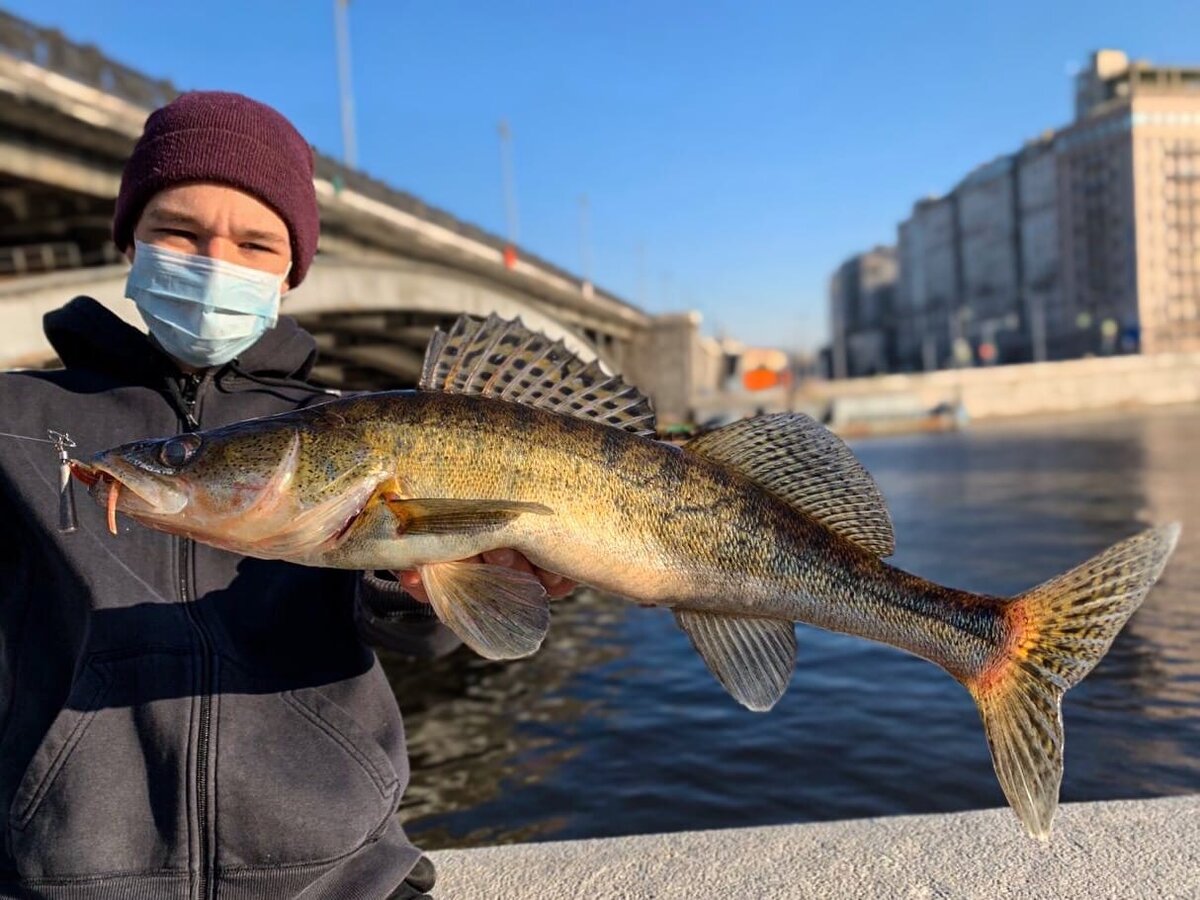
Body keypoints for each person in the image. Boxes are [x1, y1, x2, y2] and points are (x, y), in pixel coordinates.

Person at [0, 91, 572, 900]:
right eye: (179, 232)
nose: (215, 263)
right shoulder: (15, 419)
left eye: (256, 242)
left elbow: (425, 638)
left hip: (341, 881)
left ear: (291, 271)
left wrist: (445, 585)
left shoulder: (338, 429)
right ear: (129, 239)